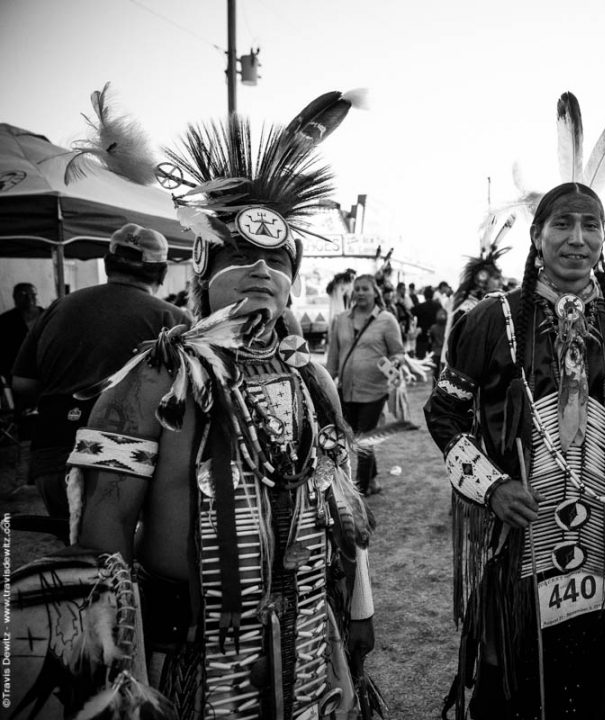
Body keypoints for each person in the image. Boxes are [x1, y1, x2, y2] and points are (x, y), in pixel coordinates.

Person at [24, 92, 378, 720]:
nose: (261, 270)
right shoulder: (156, 377)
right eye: (241, 256)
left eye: (276, 259)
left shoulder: (311, 381)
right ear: (204, 267)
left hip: (307, 637)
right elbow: (103, 528)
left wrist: (358, 609)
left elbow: (338, 507)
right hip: (195, 650)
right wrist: (117, 666)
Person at [425, 93, 605, 720]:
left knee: (591, 681)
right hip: (518, 542)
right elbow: (444, 415)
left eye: (590, 225)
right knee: (514, 680)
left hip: (600, 542)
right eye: (562, 224)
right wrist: (490, 487)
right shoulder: (489, 322)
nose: (577, 238)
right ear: (537, 237)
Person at [12, 225, 189, 518]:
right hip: (129, 459)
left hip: (54, 454)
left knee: (76, 555)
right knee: (122, 556)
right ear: (162, 271)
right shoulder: (174, 319)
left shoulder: (59, 307)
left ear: (108, 263)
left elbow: (22, 383)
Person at [326, 273, 406, 495]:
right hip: (346, 390)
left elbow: (399, 352)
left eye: (365, 289)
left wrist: (396, 361)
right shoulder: (341, 319)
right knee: (357, 436)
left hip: (374, 390)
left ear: (375, 293)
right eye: (357, 288)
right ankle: (373, 480)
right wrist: (327, 381)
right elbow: (334, 354)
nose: (360, 292)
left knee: (364, 438)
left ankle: (360, 489)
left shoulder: (386, 320)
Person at [0, 282, 43, 382]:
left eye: (33, 295)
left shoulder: (46, 316)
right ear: (15, 298)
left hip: (44, 369)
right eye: (23, 295)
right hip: (18, 374)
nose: (29, 298)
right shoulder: (5, 321)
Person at [411, 285, 442, 359]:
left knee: (420, 358)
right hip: (435, 336)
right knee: (434, 359)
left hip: (422, 335)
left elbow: (411, 312)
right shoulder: (438, 306)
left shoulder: (420, 307)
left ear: (424, 296)